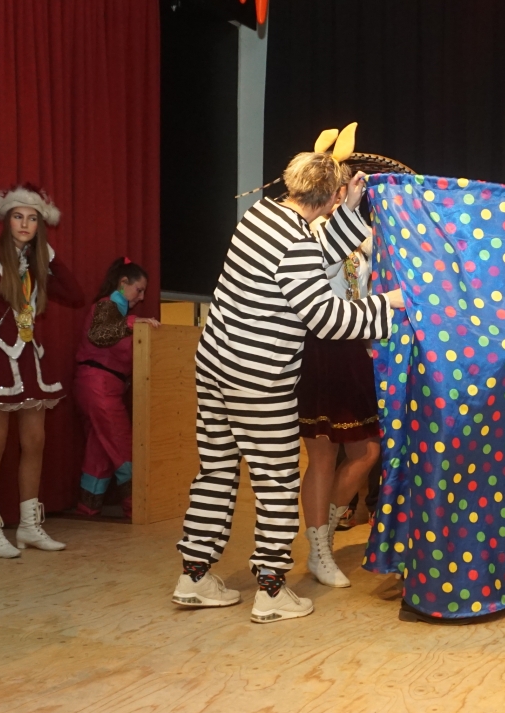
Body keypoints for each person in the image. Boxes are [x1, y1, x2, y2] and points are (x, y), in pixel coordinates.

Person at [171, 124, 401, 624]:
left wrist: (348, 209)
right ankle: (272, 590)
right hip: (259, 376)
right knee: (276, 479)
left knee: (216, 471)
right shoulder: (297, 244)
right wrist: (389, 305)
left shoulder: (260, 217)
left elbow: (311, 256)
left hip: (215, 366)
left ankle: (193, 576)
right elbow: (328, 317)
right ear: (330, 195)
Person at [0, 185, 85, 557]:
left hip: (29, 358)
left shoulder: (37, 263)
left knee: (35, 442)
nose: (25, 224)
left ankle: (28, 525)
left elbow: (75, 295)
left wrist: (48, 257)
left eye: (33, 218)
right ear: (6, 220)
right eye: (18, 216)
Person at [298, 230, 381, 589]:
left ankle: (326, 532)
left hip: (354, 346)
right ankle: (319, 549)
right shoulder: (315, 232)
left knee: (368, 451)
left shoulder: (362, 239)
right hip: (321, 344)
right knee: (323, 455)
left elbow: (365, 289)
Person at [72, 257, 151, 517]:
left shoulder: (115, 310)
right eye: (139, 290)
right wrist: (133, 323)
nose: (141, 297)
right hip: (100, 386)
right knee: (122, 444)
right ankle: (138, 505)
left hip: (96, 385)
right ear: (123, 283)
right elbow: (99, 334)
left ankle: (88, 506)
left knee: (100, 448)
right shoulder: (108, 306)